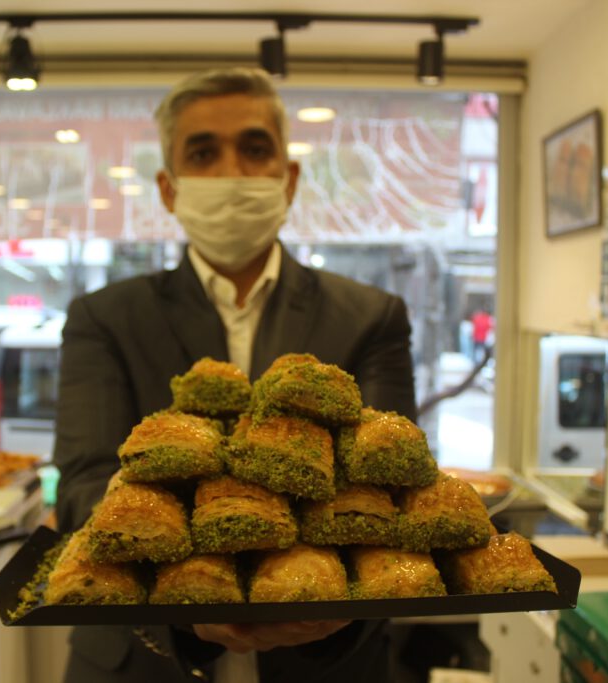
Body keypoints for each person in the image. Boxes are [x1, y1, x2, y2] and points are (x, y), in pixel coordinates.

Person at [53, 67, 417, 683]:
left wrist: (327, 608)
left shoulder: (370, 317)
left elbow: (387, 485)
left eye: (254, 148)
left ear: (289, 178)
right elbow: (84, 485)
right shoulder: (105, 318)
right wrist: (186, 603)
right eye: (203, 153)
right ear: (168, 189)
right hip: (141, 661)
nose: (231, 172)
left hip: (326, 661)